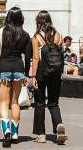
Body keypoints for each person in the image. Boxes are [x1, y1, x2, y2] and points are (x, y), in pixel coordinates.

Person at [0, 7, 32, 147]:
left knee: (3, 103)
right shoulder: (25, 35)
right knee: (15, 102)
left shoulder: (2, 31)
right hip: (19, 69)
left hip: (4, 69)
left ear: (8, 17)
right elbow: (28, 56)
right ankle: (15, 134)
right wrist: (26, 74)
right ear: (21, 18)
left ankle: (6, 131)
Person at [28, 11, 68, 144]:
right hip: (56, 73)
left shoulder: (36, 37)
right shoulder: (58, 36)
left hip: (41, 72)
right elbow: (61, 56)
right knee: (54, 102)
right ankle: (58, 125)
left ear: (38, 22)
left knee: (39, 103)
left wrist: (33, 76)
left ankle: (41, 134)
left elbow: (35, 57)